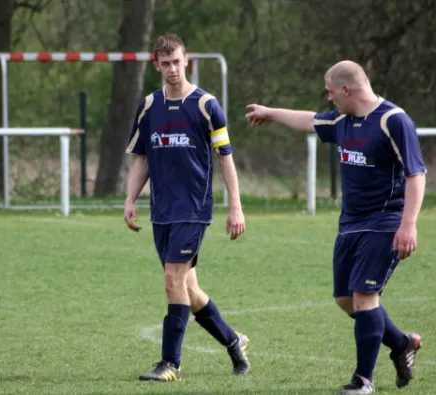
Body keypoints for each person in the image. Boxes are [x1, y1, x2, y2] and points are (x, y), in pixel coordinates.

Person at [246, 60, 425, 394]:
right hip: (350, 223)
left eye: (330, 92)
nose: (328, 99)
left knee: (364, 296)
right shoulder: (343, 119)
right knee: (345, 299)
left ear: (347, 89)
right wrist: (270, 112)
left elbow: (416, 174)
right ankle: (401, 343)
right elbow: (308, 120)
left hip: (385, 221)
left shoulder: (393, 121)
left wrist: (408, 225)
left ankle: (363, 380)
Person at [124, 33, 251, 382]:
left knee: (171, 279)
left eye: (177, 62)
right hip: (161, 210)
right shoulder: (149, 106)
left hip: (194, 209)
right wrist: (130, 200)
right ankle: (233, 340)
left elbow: (226, 159)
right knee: (189, 290)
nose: (172, 69)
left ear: (187, 61)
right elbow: (141, 159)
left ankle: (170, 364)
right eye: (165, 64)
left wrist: (235, 207)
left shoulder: (206, 106)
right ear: (157, 65)